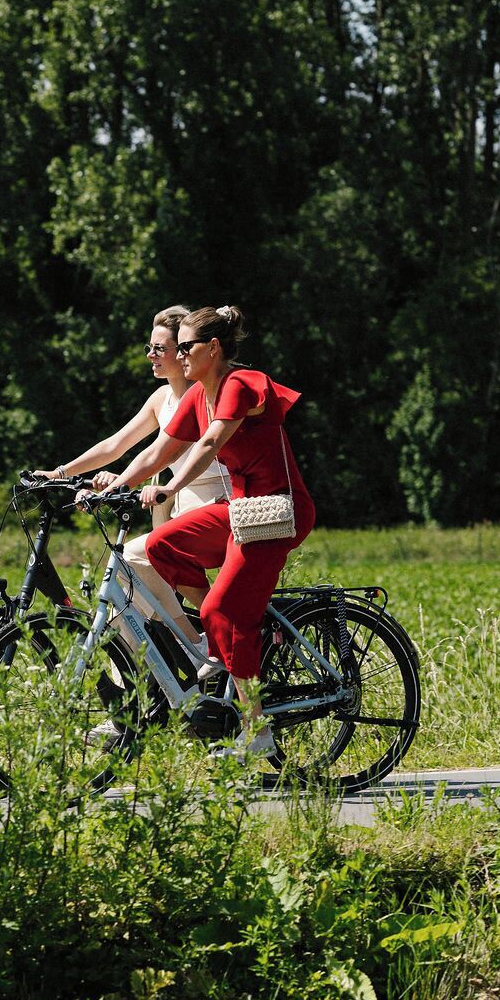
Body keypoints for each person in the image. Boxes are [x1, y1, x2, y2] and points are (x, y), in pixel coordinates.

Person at [91, 305, 314, 733]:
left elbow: (211, 441)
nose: (179, 355)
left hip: (276, 512)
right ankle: (227, 641)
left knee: (221, 608)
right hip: (239, 513)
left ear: (213, 348)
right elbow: (158, 453)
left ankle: (257, 730)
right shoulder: (197, 396)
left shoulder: (241, 384)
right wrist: (115, 485)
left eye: (186, 346)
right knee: (159, 546)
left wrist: (171, 488)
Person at [43, 306, 227, 647]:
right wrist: (61, 472)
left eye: (160, 348)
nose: (150, 355)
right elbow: (116, 444)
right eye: (149, 348)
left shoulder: (203, 395)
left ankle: (200, 644)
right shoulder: (161, 399)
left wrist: (117, 484)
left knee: (134, 557)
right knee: (129, 594)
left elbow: (157, 455)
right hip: (181, 511)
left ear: (183, 351)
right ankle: (144, 675)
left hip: (216, 504)